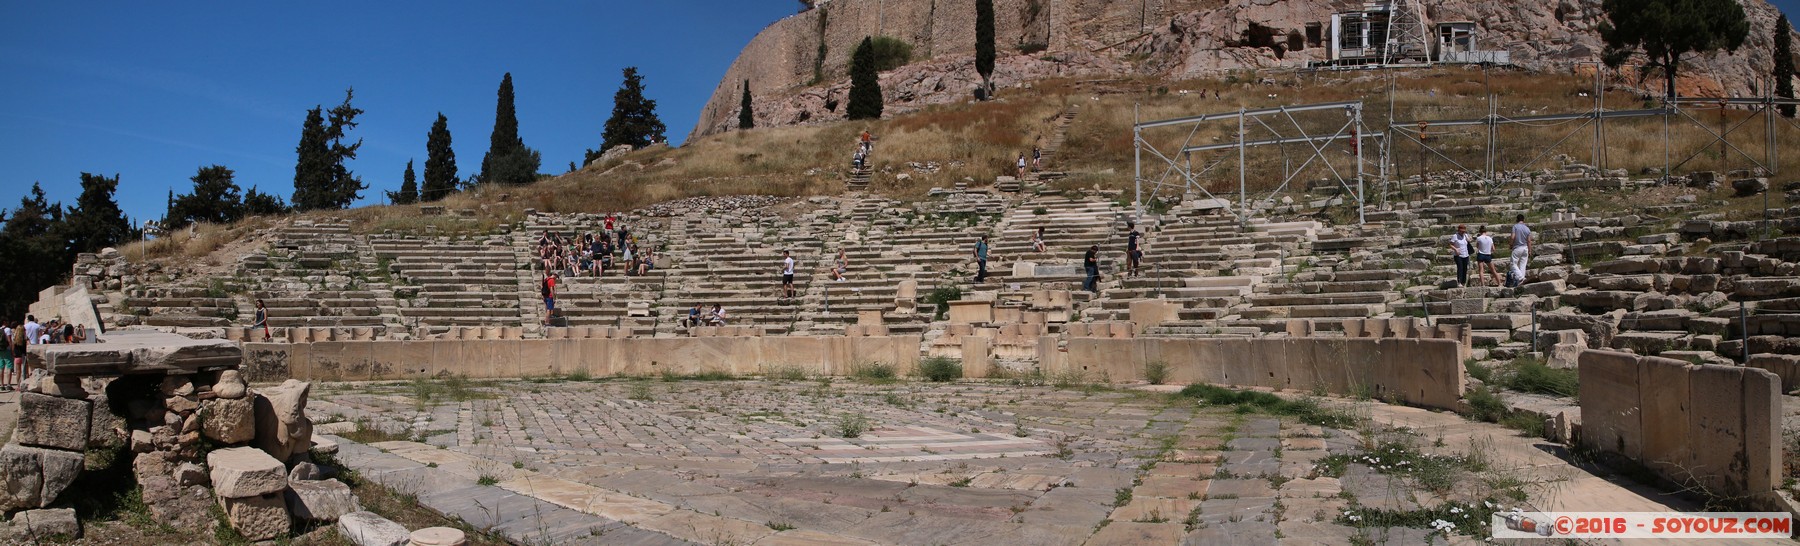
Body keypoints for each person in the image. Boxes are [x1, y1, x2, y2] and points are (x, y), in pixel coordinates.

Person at [1508, 214, 1532, 288]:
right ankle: (1521, 282)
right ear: (1523, 220)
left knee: (1513, 264)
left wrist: (1510, 244)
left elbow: (1512, 237)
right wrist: (1530, 250)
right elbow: (1529, 241)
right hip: (1525, 248)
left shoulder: (1515, 226)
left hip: (1517, 247)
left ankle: (1521, 278)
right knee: (1522, 265)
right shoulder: (1527, 229)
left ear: (1517, 219)